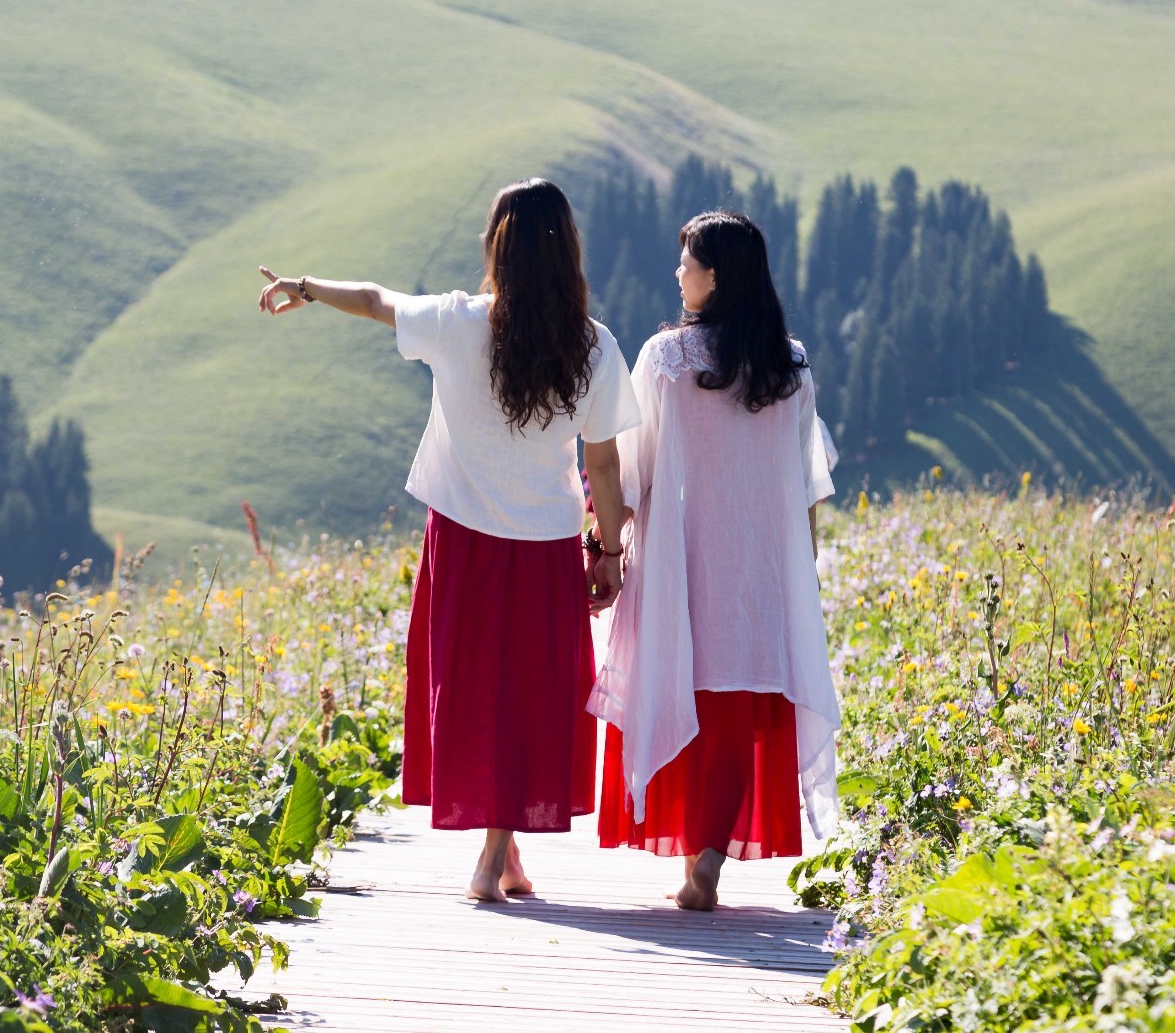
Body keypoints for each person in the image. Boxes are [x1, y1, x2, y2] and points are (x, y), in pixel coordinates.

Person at [256, 178, 641, 903]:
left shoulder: (458, 322)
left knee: (475, 688)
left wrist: (304, 286)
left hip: (463, 537)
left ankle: (491, 854)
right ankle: (508, 851)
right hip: (547, 541)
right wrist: (608, 554)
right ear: (570, 253)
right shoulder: (593, 346)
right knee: (531, 692)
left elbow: (373, 298)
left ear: (497, 246)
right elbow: (605, 464)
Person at [590, 210, 839, 911]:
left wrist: (606, 549)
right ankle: (707, 857)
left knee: (678, 685)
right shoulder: (787, 364)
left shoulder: (666, 359)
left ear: (715, 274)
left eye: (687, 261)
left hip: (682, 557)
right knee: (734, 707)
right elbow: (805, 482)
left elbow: (631, 473)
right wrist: (800, 570)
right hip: (756, 568)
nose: (678, 273)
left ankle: (693, 849)